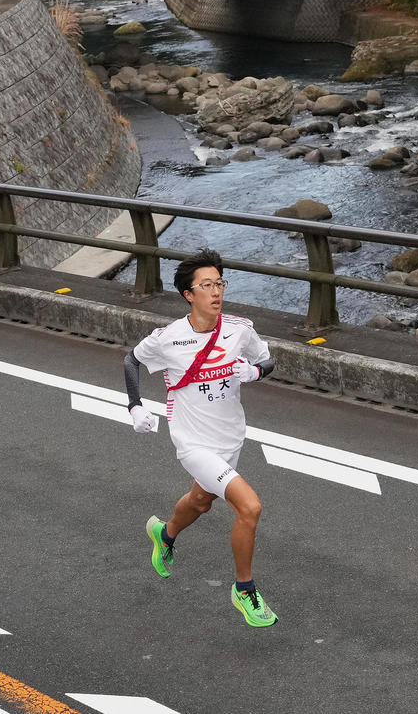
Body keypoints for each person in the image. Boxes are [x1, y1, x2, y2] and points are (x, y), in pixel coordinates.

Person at [125, 248, 279, 627]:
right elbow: (131, 361)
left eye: (220, 283)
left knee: (201, 500)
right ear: (188, 295)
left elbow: (268, 360)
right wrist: (135, 406)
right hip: (192, 442)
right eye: (206, 285)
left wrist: (253, 374)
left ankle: (165, 533)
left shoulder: (239, 329)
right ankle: (245, 592)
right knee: (250, 507)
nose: (216, 292)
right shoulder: (168, 338)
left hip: (230, 438)